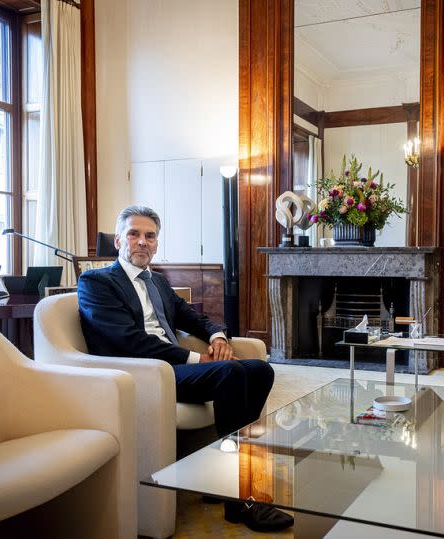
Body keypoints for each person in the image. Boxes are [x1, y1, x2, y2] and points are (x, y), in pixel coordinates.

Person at [78, 205, 292, 532]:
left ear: (157, 244)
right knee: (231, 373)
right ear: (119, 241)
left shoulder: (158, 283)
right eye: (134, 234)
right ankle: (245, 496)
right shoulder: (97, 282)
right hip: (142, 373)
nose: (142, 242)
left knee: (260, 370)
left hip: (172, 370)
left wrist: (218, 338)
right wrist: (197, 359)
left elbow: (194, 317)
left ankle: (229, 479)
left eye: (150, 236)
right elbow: (128, 341)